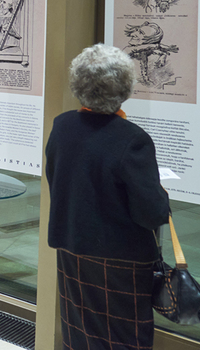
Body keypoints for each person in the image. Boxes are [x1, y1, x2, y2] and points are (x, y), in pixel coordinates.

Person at [46, 43, 170, 350]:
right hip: (120, 258)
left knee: (80, 335)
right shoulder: (132, 139)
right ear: (125, 88)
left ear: (78, 84)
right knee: (125, 340)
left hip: (72, 247)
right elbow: (151, 214)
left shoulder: (62, 126)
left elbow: (56, 180)